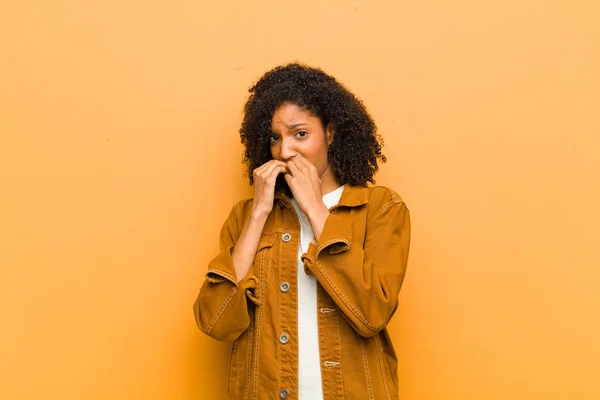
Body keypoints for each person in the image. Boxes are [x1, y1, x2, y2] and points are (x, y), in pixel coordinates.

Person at [193, 63, 411, 400]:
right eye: (275, 138)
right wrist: (258, 214)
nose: (285, 152)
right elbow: (216, 322)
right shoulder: (244, 217)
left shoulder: (380, 208)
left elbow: (371, 314)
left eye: (300, 134)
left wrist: (316, 208)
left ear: (332, 133)